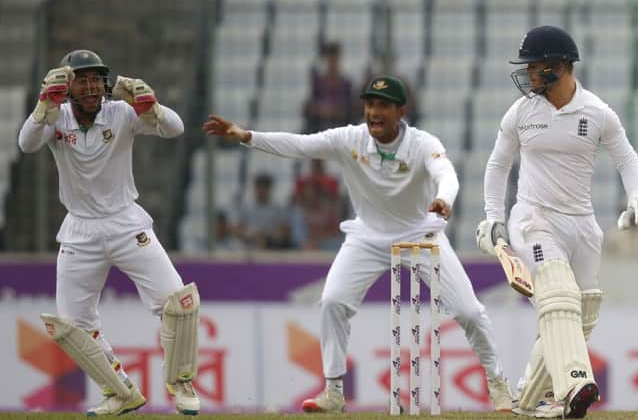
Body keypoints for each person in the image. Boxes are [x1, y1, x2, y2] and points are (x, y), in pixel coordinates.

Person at [204, 75, 515, 413]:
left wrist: (444, 199)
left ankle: (497, 383)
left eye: (382, 106)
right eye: (369, 105)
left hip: (421, 233)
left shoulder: (423, 143)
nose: (373, 112)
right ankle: (334, 390)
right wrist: (247, 136)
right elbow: (300, 145)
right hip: (367, 237)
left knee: (469, 311)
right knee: (333, 301)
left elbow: (446, 173)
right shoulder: (348, 139)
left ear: (401, 111)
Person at [18, 49, 201, 416]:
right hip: (79, 232)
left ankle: (181, 383)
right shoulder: (57, 117)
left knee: (178, 303)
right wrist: (42, 107)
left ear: (104, 83)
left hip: (126, 224)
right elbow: (27, 143)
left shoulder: (120, 113)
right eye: (81, 80)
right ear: (68, 86)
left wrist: (154, 107)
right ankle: (119, 391)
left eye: (95, 80)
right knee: (72, 325)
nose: (89, 87)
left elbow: (175, 128)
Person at [475, 26, 638, 419]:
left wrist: (636, 199)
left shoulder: (597, 113)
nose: (528, 74)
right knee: (558, 291)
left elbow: (627, 159)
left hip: (582, 224)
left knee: (581, 309)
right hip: (533, 216)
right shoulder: (521, 112)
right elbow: (498, 165)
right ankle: (576, 384)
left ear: (560, 66)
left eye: (534, 66)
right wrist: (494, 219)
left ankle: (533, 399)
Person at [290, 158, 344, 250]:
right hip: (306, 243)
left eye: (318, 192)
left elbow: (335, 231)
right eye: (312, 192)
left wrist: (321, 237)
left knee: (336, 243)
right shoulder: (301, 212)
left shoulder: (329, 211)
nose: (315, 195)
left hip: (326, 243)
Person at [234, 172, 294, 249]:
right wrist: (249, 235)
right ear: (255, 188)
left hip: (272, 246)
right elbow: (236, 229)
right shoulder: (246, 206)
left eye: (265, 187)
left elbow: (286, 230)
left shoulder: (277, 207)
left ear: (269, 189)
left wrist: (269, 236)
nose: (262, 191)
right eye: (259, 187)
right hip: (249, 246)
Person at [303, 41, 353, 133]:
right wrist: (321, 110)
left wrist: (334, 111)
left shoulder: (346, 83)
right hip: (320, 124)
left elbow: (349, 107)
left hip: (340, 125)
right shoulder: (318, 82)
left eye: (334, 59)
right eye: (330, 59)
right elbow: (310, 105)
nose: (332, 63)